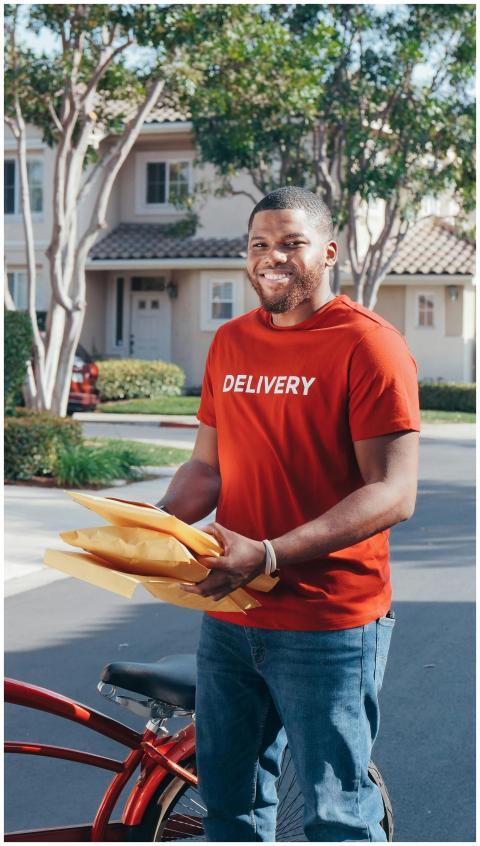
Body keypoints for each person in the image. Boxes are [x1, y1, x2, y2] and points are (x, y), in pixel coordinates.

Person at [157, 186, 420, 842]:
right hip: (231, 615)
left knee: (338, 816)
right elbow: (206, 470)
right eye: (259, 245)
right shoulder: (230, 343)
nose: (272, 257)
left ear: (328, 252)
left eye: (291, 243)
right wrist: (153, 523)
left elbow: (393, 491)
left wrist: (270, 552)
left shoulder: (368, 345)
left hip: (329, 624)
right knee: (231, 809)